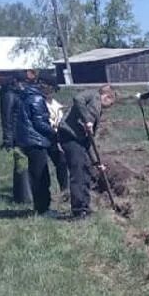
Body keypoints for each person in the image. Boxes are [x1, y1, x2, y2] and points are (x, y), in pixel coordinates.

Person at [58, 85, 116, 220]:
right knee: (78, 172)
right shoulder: (93, 95)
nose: (109, 107)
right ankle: (78, 210)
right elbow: (77, 99)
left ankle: (85, 206)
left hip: (80, 140)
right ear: (107, 96)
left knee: (86, 171)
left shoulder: (97, 109)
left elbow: (89, 140)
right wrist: (87, 120)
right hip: (70, 136)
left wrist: (96, 162)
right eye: (110, 103)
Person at [14, 78, 56, 215]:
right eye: (52, 89)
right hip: (36, 141)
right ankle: (43, 209)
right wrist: (55, 131)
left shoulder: (27, 96)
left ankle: (41, 207)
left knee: (37, 175)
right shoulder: (37, 99)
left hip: (27, 140)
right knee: (41, 176)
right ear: (46, 86)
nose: (52, 93)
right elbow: (39, 123)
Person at [41, 81, 69, 194]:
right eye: (49, 90)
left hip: (56, 135)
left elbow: (60, 116)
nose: (50, 93)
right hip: (45, 135)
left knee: (61, 161)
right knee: (43, 165)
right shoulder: (41, 103)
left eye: (52, 90)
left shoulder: (54, 103)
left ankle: (64, 189)